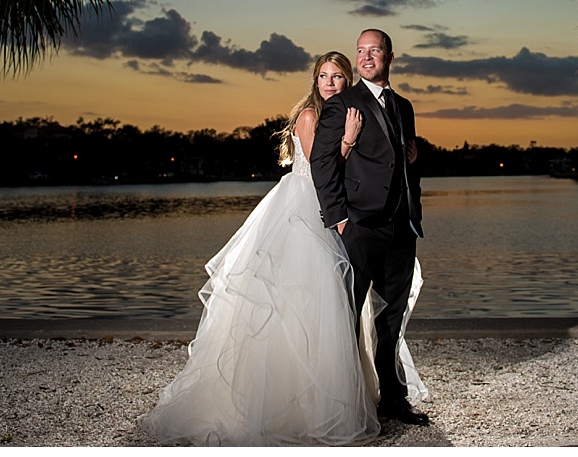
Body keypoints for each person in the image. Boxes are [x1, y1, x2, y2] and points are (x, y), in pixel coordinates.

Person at [140, 51, 423, 446]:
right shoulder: (311, 116)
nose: (331, 83)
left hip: (337, 212)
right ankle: (296, 402)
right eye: (324, 76)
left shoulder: (343, 111)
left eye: (338, 77)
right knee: (303, 306)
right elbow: (323, 166)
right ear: (315, 80)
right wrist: (348, 141)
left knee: (333, 309)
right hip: (305, 210)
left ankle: (347, 396)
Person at [311, 29, 430, 427]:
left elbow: (400, 161)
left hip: (400, 226)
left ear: (390, 57)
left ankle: (393, 399)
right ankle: (343, 405)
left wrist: (414, 162)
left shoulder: (405, 106)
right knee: (347, 315)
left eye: (373, 50)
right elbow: (322, 163)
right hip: (358, 225)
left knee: (392, 316)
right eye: (360, 51)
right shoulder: (343, 103)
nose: (365, 57)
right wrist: (339, 218)